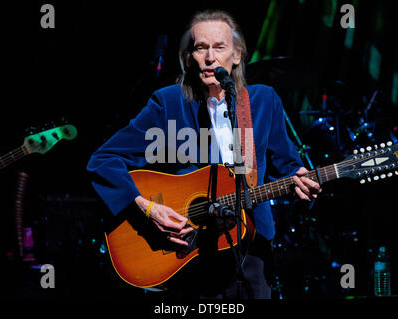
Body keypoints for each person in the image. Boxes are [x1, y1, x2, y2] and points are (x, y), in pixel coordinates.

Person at [87, 9, 321, 299]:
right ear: (189, 58)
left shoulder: (263, 101)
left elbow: (287, 166)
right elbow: (103, 160)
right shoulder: (168, 103)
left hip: (250, 246)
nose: (210, 57)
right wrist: (148, 208)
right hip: (187, 252)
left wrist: (298, 180)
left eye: (220, 47)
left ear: (236, 56)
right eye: (201, 48)